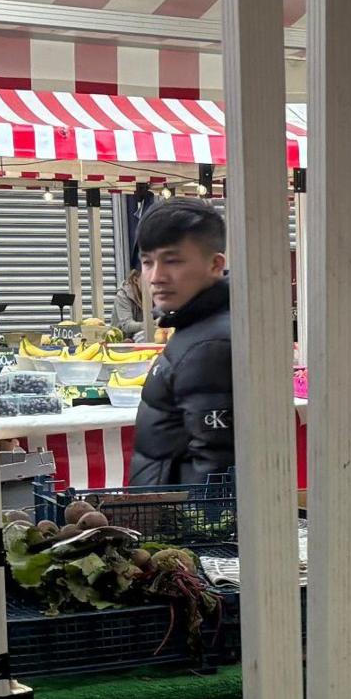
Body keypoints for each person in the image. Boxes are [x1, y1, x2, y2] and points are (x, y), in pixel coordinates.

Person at [127, 196, 236, 486]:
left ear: (215, 264)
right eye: (148, 262)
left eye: (172, 260)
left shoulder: (209, 345)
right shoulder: (196, 328)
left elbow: (216, 469)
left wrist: (186, 527)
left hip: (179, 523)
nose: (156, 277)